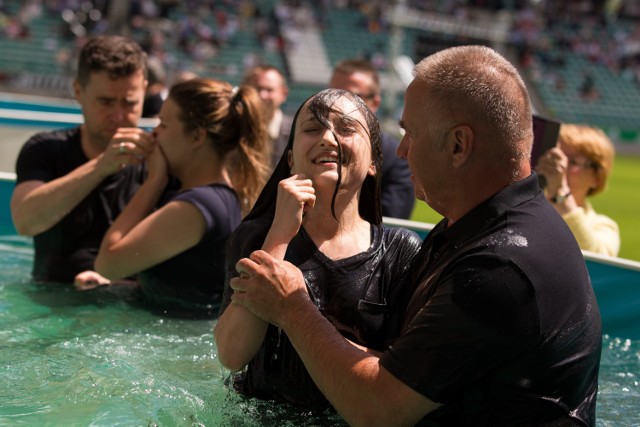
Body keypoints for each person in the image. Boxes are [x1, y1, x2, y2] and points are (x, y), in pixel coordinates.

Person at [228, 46, 602, 425]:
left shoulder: (501, 267)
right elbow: (402, 363)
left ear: (458, 145)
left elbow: (380, 411)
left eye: (410, 133)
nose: (402, 152)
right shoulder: (474, 229)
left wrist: (294, 309)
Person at [214, 88, 422, 409]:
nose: (328, 137)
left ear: (374, 163)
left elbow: (403, 376)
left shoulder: (401, 251)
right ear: (291, 158)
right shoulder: (257, 237)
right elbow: (231, 354)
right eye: (312, 129)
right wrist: (279, 235)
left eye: (347, 129)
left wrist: (300, 323)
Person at [74, 78, 270, 317]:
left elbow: (107, 264)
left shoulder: (198, 206)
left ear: (197, 136)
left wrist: (154, 181)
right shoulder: (216, 198)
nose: (154, 132)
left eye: (164, 124)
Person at [11, 35, 152, 283]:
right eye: (105, 102)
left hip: (127, 304)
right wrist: (100, 167)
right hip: (54, 300)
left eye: (130, 103)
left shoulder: (158, 159)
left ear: (144, 92)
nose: (119, 116)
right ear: (78, 91)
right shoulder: (45, 149)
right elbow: (25, 222)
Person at [329, 58, 414, 219]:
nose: (340, 103)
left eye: (352, 96)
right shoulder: (307, 144)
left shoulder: (396, 156)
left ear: (375, 103)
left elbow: (392, 220)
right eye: (332, 95)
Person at [535, 123, 620, 256]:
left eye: (573, 162)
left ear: (597, 178)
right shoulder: (526, 204)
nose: (560, 164)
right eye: (558, 156)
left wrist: (560, 191)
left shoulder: (603, 226)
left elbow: (597, 260)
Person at [242, 64, 293, 168]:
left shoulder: (296, 133)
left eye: (269, 90)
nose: (262, 95)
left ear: (284, 94)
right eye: (257, 89)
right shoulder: (232, 129)